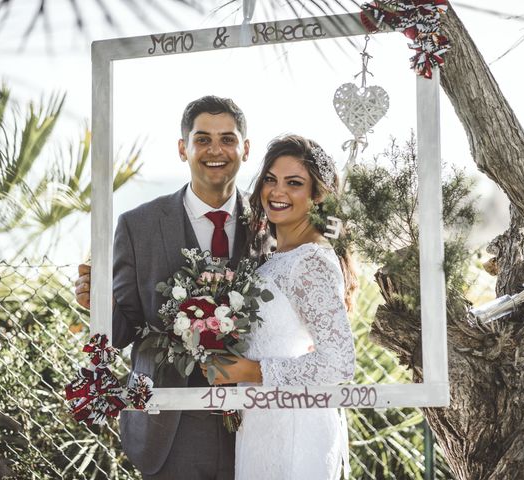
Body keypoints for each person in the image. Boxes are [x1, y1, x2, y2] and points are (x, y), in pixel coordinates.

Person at [75, 95, 255, 479]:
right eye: (202, 139)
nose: (215, 150)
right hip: (170, 424)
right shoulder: (137, 226)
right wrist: (97, 306)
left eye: (228, 139)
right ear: (182, 148)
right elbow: (123, 329)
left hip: (257, 420)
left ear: (246, 149)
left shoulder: (268, 223)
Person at [201, 135, 357, 480]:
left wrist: (251, 372)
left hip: (295, 431)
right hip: (262, 425)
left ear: (318, 196)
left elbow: (339, 363)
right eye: (270, 179)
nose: (277, 191)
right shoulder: (275, 260)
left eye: (294, 183)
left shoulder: (309, 262)